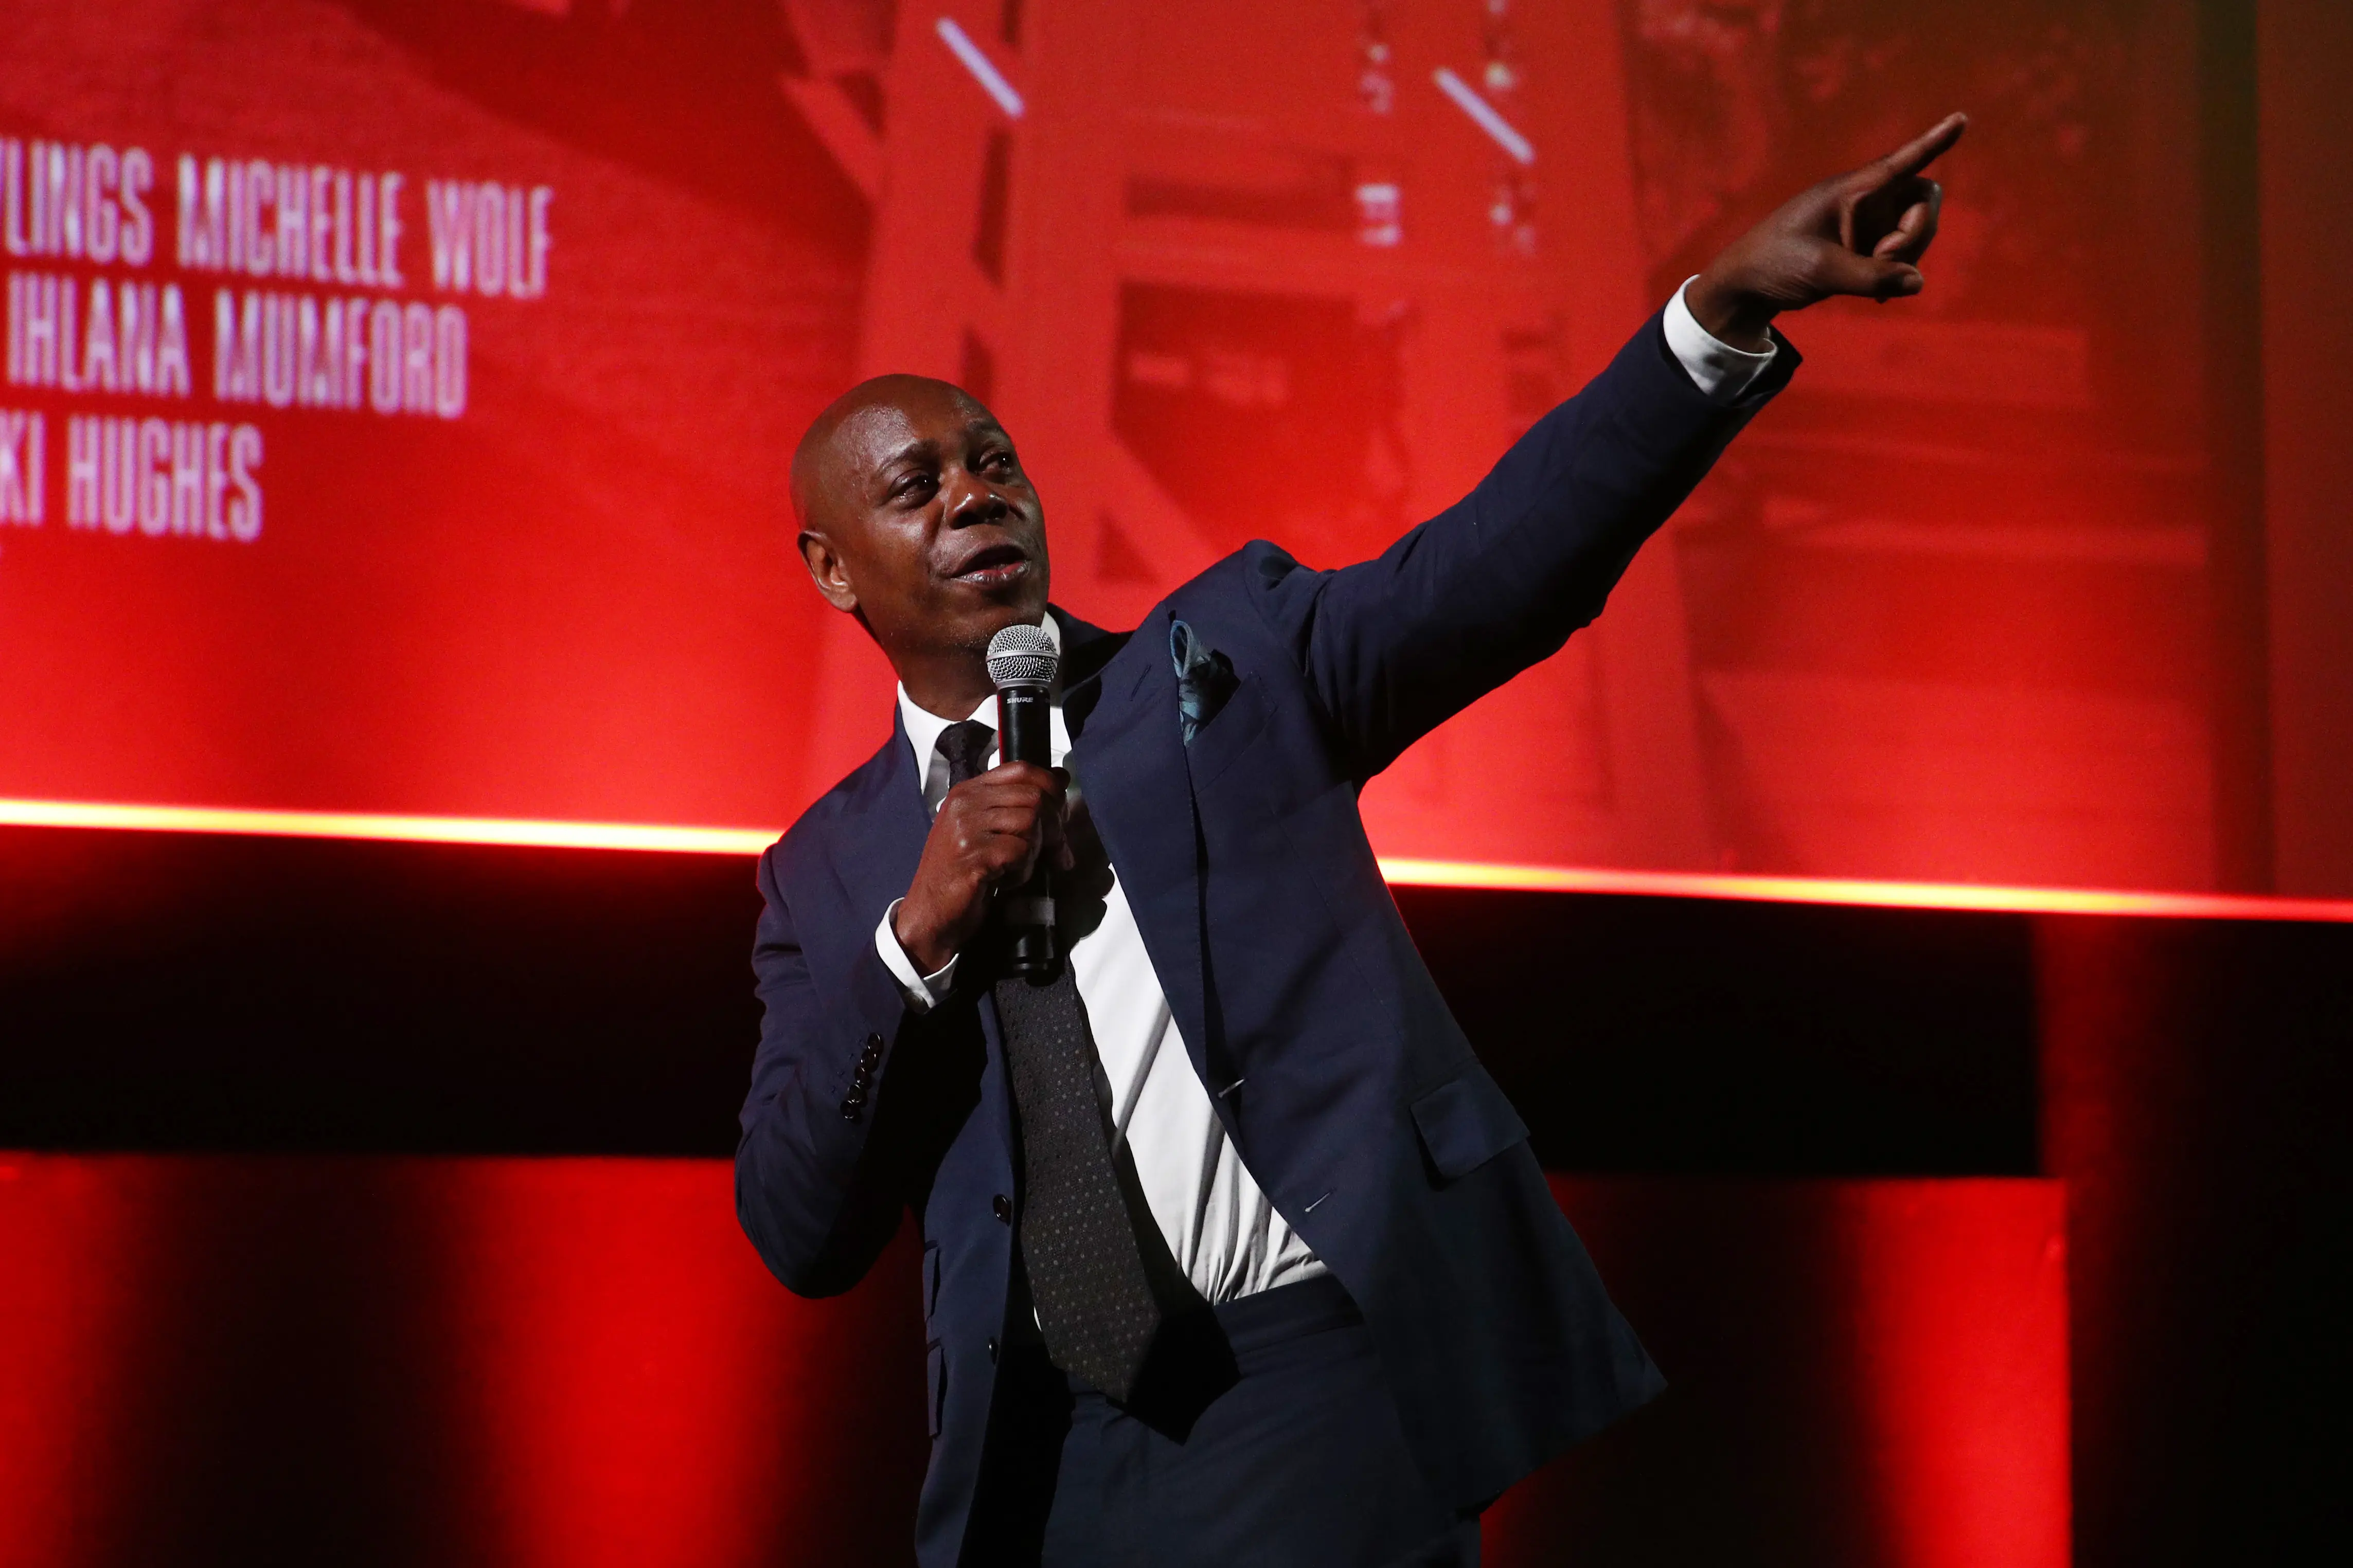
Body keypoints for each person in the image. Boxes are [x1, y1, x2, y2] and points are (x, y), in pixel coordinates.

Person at [737, 114, 1967, 1567]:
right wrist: (917, 935)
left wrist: (1716, 314)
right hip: (1038, 1453)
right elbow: (801, 1229)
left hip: (1304, 1382)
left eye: (992, 460)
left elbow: (1499, 564)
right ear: (832, 569)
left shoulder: (1223, 667)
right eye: (915, 486)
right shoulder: (827, 871)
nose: (974, 494)